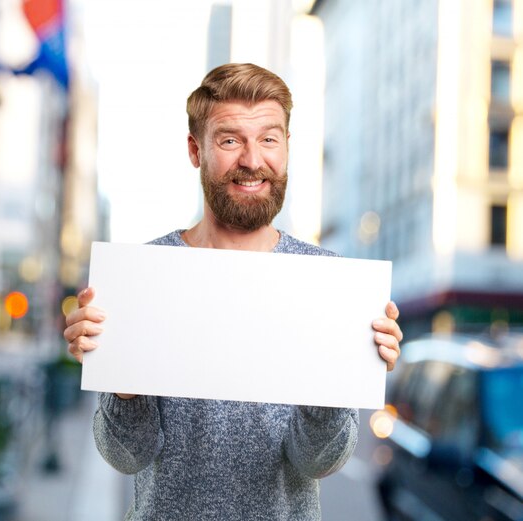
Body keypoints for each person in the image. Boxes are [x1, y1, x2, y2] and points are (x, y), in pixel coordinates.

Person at [63, 63, 403, 520]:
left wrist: (339, 375)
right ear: (195, 150)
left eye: (269, 138)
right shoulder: (145, 275)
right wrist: (122, 382)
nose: (252, 160)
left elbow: (319, 462)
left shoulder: (328, 282)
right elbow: (127, 458)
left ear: (286, 147)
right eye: (229, 140)